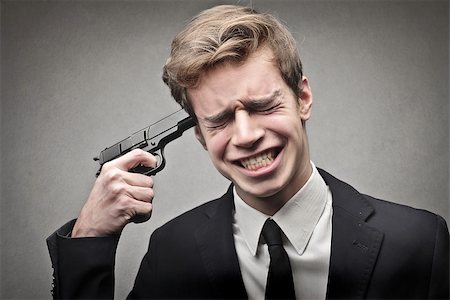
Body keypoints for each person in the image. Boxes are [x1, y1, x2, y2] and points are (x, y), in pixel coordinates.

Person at [47, 5, 449, 299]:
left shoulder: (419, 241)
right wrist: (89, 238)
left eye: (262, 106)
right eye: (219, 120)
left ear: (303, 97)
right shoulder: (172, 252)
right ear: (200, 135)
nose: (246, 136)